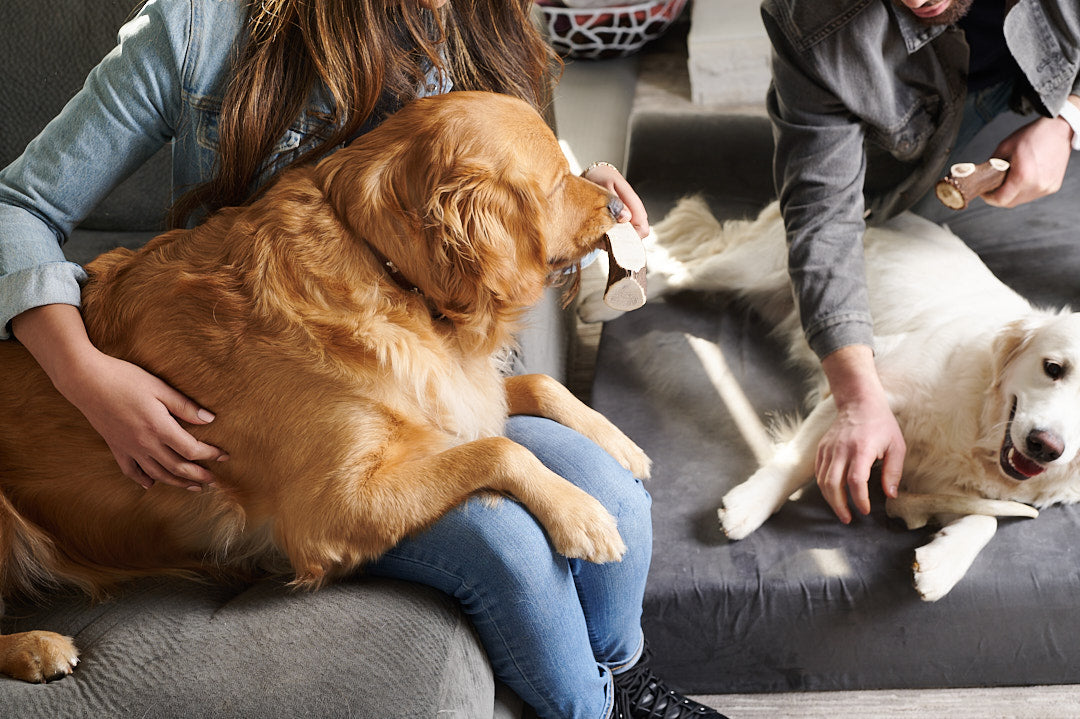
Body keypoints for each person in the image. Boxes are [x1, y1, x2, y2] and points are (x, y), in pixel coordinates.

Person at [0, 1, 726, 717]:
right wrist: (86, 377)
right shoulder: (196, 25)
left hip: (398, 348)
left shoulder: (484, 20)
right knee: (507, 537)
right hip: (270, 402)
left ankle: (626, 690)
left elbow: (492, 242)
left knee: (613, 489)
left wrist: (585, 210)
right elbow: (15, 207)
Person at [761, 0, 1080, 524]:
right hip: (918, 115)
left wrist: (1066, 119)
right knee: (890, 224)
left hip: (1048, 65)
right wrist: (858, 397)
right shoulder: (808, 16)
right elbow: (822, 215)